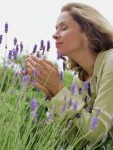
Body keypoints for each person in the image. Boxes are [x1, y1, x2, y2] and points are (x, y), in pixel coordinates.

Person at [26, 2, 113, 147]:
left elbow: (97, 131)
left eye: (64, 27)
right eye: (55, 29)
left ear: (87, 31)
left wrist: (60, 90)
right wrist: (53, 94)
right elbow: (76, 140)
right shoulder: (79, 81)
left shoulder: (111, 61)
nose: (54, 35)